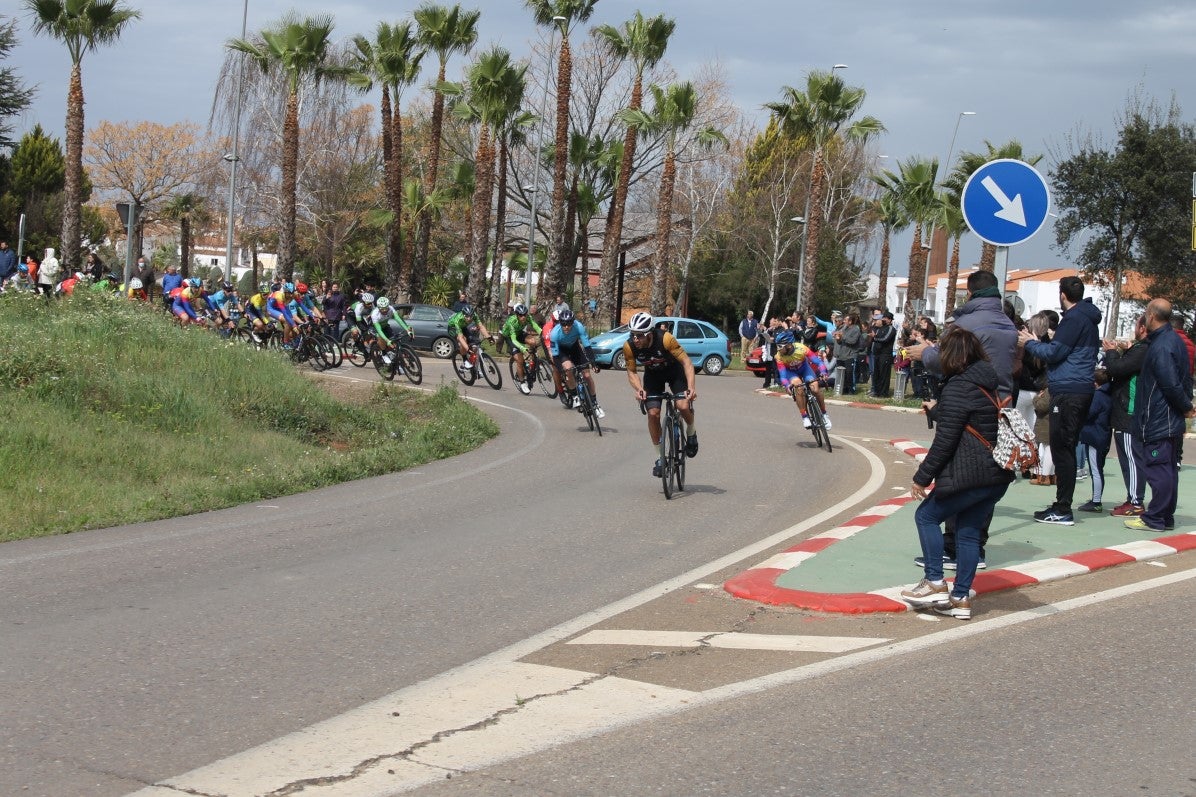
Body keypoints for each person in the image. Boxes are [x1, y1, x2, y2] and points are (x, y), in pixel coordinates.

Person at [901, 327, 1014, 621]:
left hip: (968, 474)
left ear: (951, 356)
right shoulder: (987, 382)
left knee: (926, 516)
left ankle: (934, 582)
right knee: (968, 533)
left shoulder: (958, 386)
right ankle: (961, 598)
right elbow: (967, 419)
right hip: (995, 475)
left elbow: (945, 442)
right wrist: (938, 411)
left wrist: (922, 477)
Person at [1018, 275, 1102, 525]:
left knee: (1062, 447)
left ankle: (1063, 508)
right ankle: (1061, 504)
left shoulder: (1074, 319)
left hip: (1068, 390)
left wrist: (1030, 343)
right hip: (1078, 387)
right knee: (1065, 447)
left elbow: (1055, 353)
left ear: (1062, 295)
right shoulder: (1087, 318)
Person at [1124, 299, 1196, 532]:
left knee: (1159, 470)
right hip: (1165, 417)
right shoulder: (1171, 340)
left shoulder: (1163, 345)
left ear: (1152, 316)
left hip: (1159, 418)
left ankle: (1155, 518)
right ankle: (1164, 517)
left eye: (1146, 313)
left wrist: (1185, 406)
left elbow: (1170, 383)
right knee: (1167, 469)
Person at [623, 311, 698, 476]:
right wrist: (639, 389)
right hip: (653, 376)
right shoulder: (629, 346)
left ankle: (691, 431)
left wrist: (691, 388)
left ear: (649, 334)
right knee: (653, 414)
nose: (635, 339)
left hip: (674, 372)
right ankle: (660, 457)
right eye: (633, 335)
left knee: (682, 405)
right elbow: (632, 371)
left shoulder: (666, 339)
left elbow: (686, 362)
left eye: (639, 336)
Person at [1102, 315, 1149, 516]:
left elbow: (1117, 369)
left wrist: (1111, 352)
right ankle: (1132, 498)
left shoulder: (1143, 349)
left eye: (1136, 325)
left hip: (1129, 411)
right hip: (1127, 410)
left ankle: (1136, 502)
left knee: (1131, 459)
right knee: (1128, 458)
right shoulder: (1141, 349)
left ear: (1143, 328)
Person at [549, 308, 604, 418]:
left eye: (569, 324)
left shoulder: (579, 327)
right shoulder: (554, 333)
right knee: (568, 368)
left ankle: (595, 403)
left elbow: (587, 346)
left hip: (575, 349)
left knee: (587, 375)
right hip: (562, 351)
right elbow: (555, 356)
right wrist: (561, 371)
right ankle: (575, 396)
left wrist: (593, 363)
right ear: (560, 323)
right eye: (564, 324)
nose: (566, 327)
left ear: (573, 322)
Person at [773, 330, 832, 431]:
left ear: (789, 345)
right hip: (791, 373)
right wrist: (787, 385)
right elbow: (782, 375)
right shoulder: (779, 356)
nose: (778, 349)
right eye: (777, 346)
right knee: (798, 387)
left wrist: (823, 372)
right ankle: (805, 417)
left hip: (805, 369)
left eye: (780, 346)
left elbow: (818, 362)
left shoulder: (801, 348)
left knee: (815, 388)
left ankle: (824, 414)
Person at [1077, 370, 1113, 512]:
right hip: (1102, 435)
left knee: (1096, 470)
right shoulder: (1108, 394)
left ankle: (1096, 501)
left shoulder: (1098, 395)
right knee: (1098, 468)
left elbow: (1089, 413)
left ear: (1095, 383)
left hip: (1095, 436)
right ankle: (1096, 499)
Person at [500, 303, 542, 395]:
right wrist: (522, 348)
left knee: (533, 341)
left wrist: (543, 333)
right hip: (510, 336)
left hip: (519, 333)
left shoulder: (528, 317)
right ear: (516, 315)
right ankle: (522, 382)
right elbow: (514, 340)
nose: (523, 317)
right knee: (520, 360)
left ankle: (532, 360)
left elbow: (535, 326)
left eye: (524, 315)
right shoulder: (512, 321)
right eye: (520, 315)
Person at [832, 313, 864, 394]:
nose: (844, 321)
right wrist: (838, 338)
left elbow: (853, 341)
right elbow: (840, 342)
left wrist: (842, 336)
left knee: (849, 373)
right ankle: (843, 389)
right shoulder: (844, 328)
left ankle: (851, 390)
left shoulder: (856, 329)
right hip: (842, 355)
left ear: (850, 321)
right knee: (842, 373)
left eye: (846, 320)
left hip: (850, 355)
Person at [868, 311, 896, 397]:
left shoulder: (891, 329)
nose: (883, 319)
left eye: (885, 318)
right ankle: (876, 391)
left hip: (885, 355)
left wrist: (875, 338)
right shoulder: (880, 328)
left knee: (884, 374)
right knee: (877, 373)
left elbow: (885, 339)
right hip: (877, 354)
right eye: (883, 318)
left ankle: (883, 393)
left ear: (890, 320)